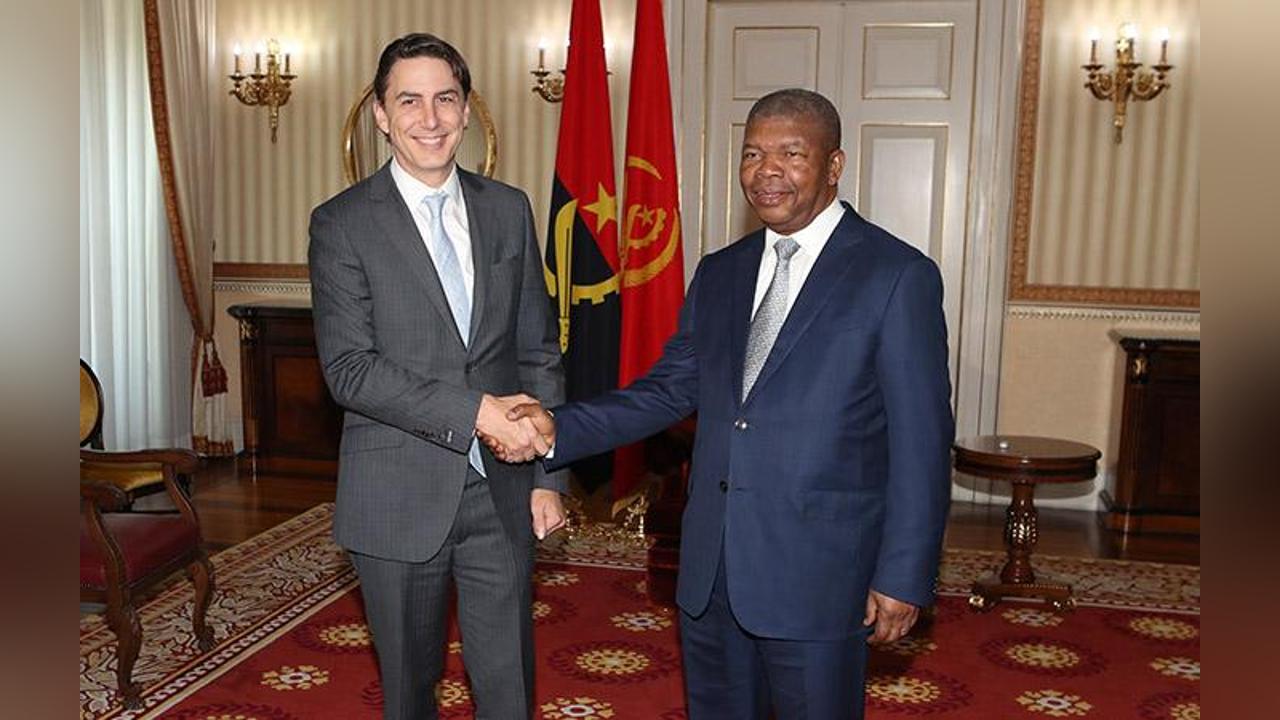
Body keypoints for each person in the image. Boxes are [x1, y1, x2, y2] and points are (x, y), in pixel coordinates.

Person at [493, 88, 954, 719]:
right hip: (713, 575)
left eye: (791, 154)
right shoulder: (720, 272)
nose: (767, 170)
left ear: (834, 165)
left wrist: (903, 574)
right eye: (752, 154)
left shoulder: (895, 275)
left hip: (820, 579)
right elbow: (667, 389)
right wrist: (555, 428)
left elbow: (922, 443)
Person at [308, 32, 567, 720]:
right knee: (409, 692)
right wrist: (476, 410)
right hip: (395, 497)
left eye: (445, 99)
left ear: (466, 108)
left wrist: (549, 474)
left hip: (504, 490)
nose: (430, 118)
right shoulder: (341, 224)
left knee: (510, 688)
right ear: (381, 115)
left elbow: (538, 348)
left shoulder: (508, 208)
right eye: (409, 101)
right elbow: (349, 371)